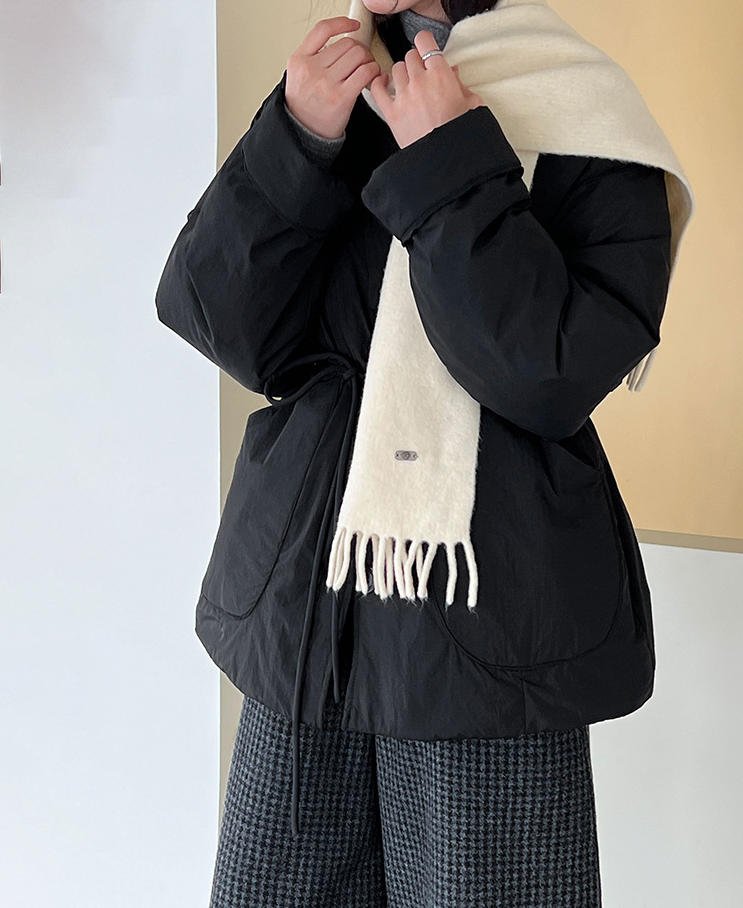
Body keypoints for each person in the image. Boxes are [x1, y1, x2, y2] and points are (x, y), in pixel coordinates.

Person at [155, 0, 693, 904]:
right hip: (312, 618)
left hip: (483, 638)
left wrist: (450, 161)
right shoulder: (349, 87)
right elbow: (226, 326)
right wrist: (297, 138)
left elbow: (548, 378)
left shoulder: (581, 107)